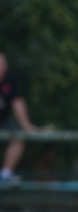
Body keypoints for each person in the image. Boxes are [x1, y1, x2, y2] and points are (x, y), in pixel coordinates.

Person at [0, 52, 40, 186]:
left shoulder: (10, 78)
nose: (1, 67)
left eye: (3, 64)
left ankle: (5, 174)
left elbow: (17, 103)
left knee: (19, 136)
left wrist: (26, 126)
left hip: (3, 120)